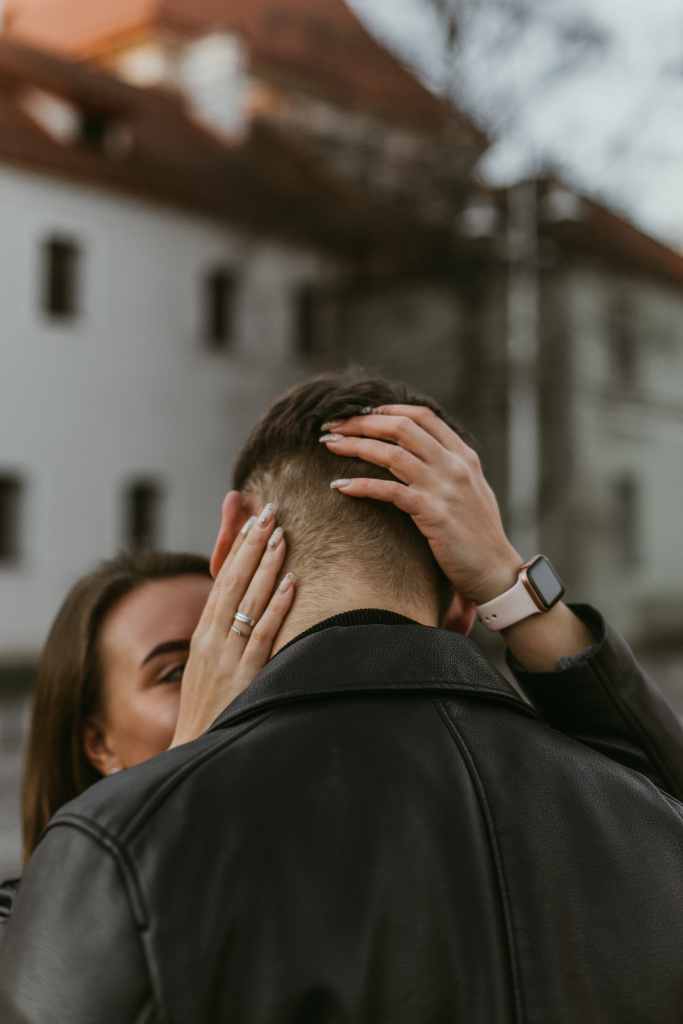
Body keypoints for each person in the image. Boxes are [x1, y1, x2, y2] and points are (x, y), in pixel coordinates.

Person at [2, 372, 683, 1023]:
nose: (220, 665)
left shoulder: (116, 852)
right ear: (460, 602)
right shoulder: (647, 823)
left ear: (231, 539)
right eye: (177, 669)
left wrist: (165, 800)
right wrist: (513, 587)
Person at [0, 520, 295, 932]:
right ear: (100, 745)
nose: (237, 678)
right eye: (178, 671)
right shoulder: (34, 929)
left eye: (255, 645)